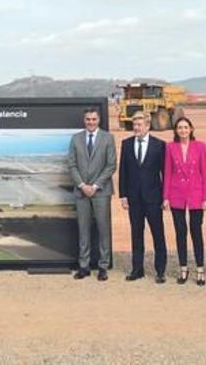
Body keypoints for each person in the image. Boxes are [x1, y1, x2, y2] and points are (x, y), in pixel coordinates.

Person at [66, 106, 116, 281]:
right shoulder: (76, 139)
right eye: (88, 119)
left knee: (103, 230)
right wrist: (81, 185)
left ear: (99, 120)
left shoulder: (108, 138)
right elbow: (71, 165)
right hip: (81, 192)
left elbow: (111, 165)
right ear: (84, 120)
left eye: (94, 119)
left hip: (101, 192)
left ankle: (103, 266)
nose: (91, 122)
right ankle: (84, 266)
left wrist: (94, 186)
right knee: (83, 230)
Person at [118, 111, 167, 283]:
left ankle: (160, 271)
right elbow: (123, 171)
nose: (136, 128)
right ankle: (137, 269)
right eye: (134, 125)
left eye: (139, 125)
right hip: (134, 199)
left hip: (154, 198)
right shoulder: (126, 144)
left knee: (158, 235)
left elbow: (165, 173)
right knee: (136, 235)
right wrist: (123, 195)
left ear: (147, 126)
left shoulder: (159, 145)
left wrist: (165, 196)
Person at [163, 116, 206, 285]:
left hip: (196, 194)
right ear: (176, 130)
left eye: (185, 127)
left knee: (196, 231)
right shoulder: (170, 147)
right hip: (176, 194)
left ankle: (200, 269)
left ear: (191, 129)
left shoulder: (200, 146)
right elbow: (167, 173)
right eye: (180, 128)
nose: (183, 130)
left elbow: (205, 173)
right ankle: (183, 268)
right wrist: (165, 197)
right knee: (180, 232)